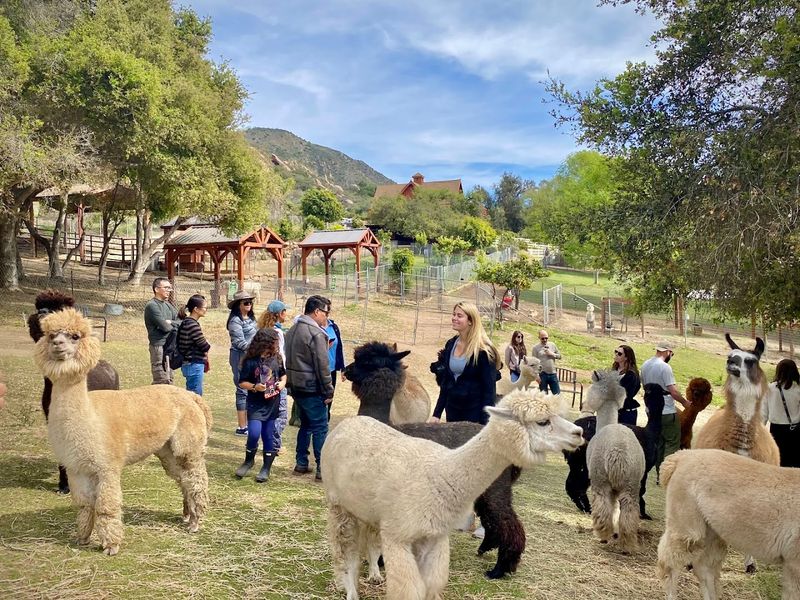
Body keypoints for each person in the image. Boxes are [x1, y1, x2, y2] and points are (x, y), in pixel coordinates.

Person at [284, 295, 334, 481]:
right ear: (317, 311)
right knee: (320, 427)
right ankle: (323, 468)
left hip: (296, 387)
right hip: (312, 389)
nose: (327, 317)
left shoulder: (292, 330)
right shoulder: (316, 334)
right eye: (326, 313)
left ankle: (301, 463)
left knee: (305, 425)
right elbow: (323, 366)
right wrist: (328, 390)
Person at [430, 302, 502, 425]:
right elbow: (446, 382)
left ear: (470, 321)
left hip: (474, 414)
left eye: (459, 316)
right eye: (454, 314)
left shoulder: (483, 352)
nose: (454, 318)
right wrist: (437, 414)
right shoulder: (450, 344)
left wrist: (485, 424)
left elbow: (489, 391)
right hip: (452, 410)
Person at [234, 328, 286, 483]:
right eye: (274, 342)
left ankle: (266, 468)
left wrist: (282, 384)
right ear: (265, 343)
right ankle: (248, 461)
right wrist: (254, 387)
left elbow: (283, 375)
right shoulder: (250, 361)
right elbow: (242, 382)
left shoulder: (277, 359)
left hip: (272, 404)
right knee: (254, 433)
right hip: (256, 404)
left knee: (268, 435)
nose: (276, 345)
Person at [640, 341, 690, 476]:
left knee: (659, 443)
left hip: (651, 410)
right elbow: (673, 391)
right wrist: (684, 402)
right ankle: (667, 474)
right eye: (671, 354)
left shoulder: (645, 365)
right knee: (672, 442)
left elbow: (644, 386)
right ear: (667, 352)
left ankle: (658, 473)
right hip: (666, 410)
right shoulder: (665, 367)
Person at [257, 299, 290, 453]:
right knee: (280, 414)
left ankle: (269, 442)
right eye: (285, 311)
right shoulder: (277, 333)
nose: (286, 314)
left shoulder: (261, 330)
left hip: (264, 376)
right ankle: (273, 445)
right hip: (275, 376)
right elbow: (280, 356)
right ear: (279, 314)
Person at [227, 290, 258, 436]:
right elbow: (238, 342)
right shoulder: (235, 321)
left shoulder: (252, 319)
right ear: (238, 305)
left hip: (251, 357)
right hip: (239, 357)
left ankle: (250, 423)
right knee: (242, 390)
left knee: (252, 388)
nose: (249, 304)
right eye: (246, 302)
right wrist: (256, 349)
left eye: (250, 302)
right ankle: (242, 427)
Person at [762, 359, 800, 468]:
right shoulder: (798, 389)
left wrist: (760, 430)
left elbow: (763, 412)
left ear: (778, 371)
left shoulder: (769, 388)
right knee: (795, 461)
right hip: (795, 430)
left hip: (776, 430)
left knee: (778, 461)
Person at [144, 277, 179, 385]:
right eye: (166, 288)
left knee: (170, 377)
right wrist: (173, 325)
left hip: (170, 345)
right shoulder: (152, 306)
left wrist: (170, 322)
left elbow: (182, 322)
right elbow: (165, 327)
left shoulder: (168, 305)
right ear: (156, 289)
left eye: (170, 288)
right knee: (161, 378)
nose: (169, 290)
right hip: (158, 346)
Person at [177, 294, 211, 396]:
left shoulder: (188, 322)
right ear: (196, 309)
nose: (206, 310)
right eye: (204, 307)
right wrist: (207, 343)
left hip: (191, 363)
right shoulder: (192, 324)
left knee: (193, 393)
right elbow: (204, 346)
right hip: (193, 364)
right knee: (195, 395)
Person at [322, 305, 345, 421]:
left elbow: (339, 347)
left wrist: (342, 368)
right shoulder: (314, 327)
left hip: (331, 369)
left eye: (327, 311)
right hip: (318, 369)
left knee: (330, 396)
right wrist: (324, 347)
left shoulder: (334, 327)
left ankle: (326, 419)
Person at [612, 344, 641, 426]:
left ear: (626, 357)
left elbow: (627, 395)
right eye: (616, 352)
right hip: (614, 410)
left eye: (620, 353)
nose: (616, 354)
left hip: (626, 413)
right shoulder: (614, 370)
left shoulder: (631, 375)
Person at [531, 330, 562, 395]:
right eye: (542, 338)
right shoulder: (535, 348)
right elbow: (533, 363)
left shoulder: (552, 345)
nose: (545, 340)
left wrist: (552, 354)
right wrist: (536, 376)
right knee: (544, 396)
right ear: (539, 337)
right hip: (542, 375)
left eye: (546, 338)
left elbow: (560, 356)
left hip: (553, 374)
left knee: (557, 395)